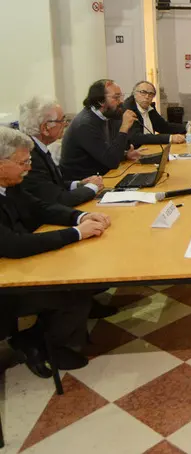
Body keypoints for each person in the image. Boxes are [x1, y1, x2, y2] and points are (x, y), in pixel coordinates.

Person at [0, 128, 112, 376]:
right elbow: (14, 245)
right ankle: (39, 342)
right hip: (6, 283)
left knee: (83, 277)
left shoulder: (11, 184)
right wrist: (77, 233)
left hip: (18, 266)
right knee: (74, 294)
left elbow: (41, 208)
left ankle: (39, 338)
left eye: (29, 160)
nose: (28, 167)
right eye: (22, 162)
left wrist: (80, 216)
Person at [18, 97, 103, 206]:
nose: (65, 124)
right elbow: (57, 199)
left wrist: (79, 184)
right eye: (61, 120)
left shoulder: (37, 147)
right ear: (45, 128)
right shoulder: (29, 157)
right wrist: (92, 187)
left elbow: (52, 185)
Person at [60, 79, 141, 180]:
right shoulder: (85, 124)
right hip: (84, 183)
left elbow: (106, 152)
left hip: (102, 176)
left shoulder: (107, 116)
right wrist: (124, 127)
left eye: (121, 96)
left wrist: (125, 154)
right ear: (100, 101)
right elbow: (112, 161)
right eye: (116, 97)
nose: (121, 101)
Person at [123, 80, 191, 147]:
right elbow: (136, 137)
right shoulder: (128, 109)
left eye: (151, 94)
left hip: (149, 147)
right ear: (134, 94)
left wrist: (187, 127)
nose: (147, 96)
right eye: (143, 92)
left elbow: (163, 127)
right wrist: (170, 138)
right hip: (134, 152)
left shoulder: (150, 108)